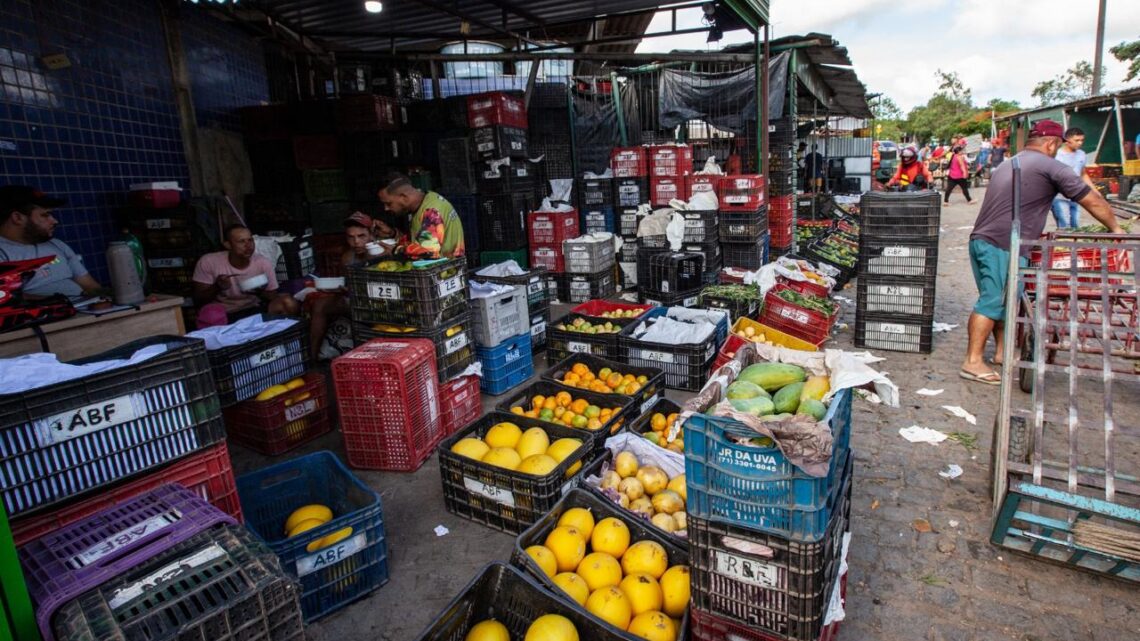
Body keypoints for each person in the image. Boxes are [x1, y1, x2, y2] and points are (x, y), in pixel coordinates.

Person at [960, 119, 1123, 384]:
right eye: (1057, 146)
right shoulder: (1050, 166)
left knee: (1004, 300)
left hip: (983, 239)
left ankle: (1001, 352)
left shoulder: (1008, 163)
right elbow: (1091, 200)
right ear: (1051, 143)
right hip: (1004, 243)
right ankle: (972, 361)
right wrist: (1116, 228)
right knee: (994, 301)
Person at [307, 211, 390, 360]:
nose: (356, 242)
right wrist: (339, 289)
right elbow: (346, 284)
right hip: (355, 301)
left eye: (361, 236)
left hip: (381, 304)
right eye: (351, 237)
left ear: (372, 235)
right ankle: (312, 359)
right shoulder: (348, 257)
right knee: (320, 305)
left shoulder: (383, 252)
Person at [0, 185, 102, 299]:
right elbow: (6, 298)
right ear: (17, 218)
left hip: (87, 307)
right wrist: (61, 303)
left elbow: (89, 285)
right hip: (52, 310)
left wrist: (107, 299)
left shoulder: (57, 244)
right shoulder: (3, 252)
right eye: (45, 215)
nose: (54, 221)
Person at [192, 223, 299, 320]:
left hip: (253, 308)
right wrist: (218, 286)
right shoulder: (209, 261)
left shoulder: (262, 262)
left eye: (250, 240)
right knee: (210, 315)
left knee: (288, 302)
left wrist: (259, 291)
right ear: (228, 245)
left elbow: (272, 296)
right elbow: (199, 299)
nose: (248, 245)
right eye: (241, 241)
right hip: (222, 313)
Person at [376, 172, 465, 259]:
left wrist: (396, 250)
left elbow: (428, 252)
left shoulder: (431, 211)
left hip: (447, 267)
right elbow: (419, 242)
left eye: (389, 203)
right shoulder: (428, 199)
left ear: (404, 197)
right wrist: (393, 233)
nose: (386, 208)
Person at [1050, 127, 1096, 229]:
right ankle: (1062, 239)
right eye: (1077, 140)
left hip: (1076, 195)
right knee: (1065, 224)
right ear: (1067, 140)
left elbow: (1083, 174)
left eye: (1082, 140)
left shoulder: (1082, 154)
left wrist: (1094, 190)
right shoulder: (1056, 155)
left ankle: (1071, 240)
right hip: (1059, 196)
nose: (1080, 143)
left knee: (1075, 225)